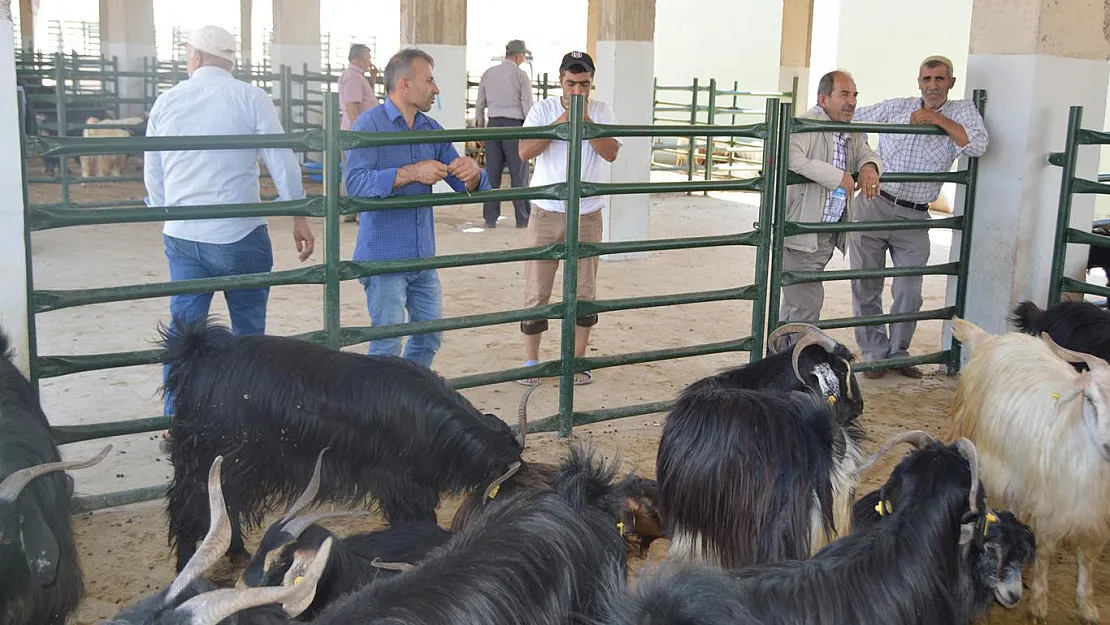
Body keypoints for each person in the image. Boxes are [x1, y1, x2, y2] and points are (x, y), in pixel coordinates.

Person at [145, 25, 315, 434]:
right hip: (241, 234)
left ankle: (180, 418)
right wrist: (297, 213)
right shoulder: (251, 97)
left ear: (197, 57)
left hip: (185, 235)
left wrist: (168, 210)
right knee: (248, 333)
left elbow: (154, 171)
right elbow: (281, 158)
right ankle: (246, 415)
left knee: (185, 332)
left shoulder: (167, 101)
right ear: (230, 60)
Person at [345, 48, 490, 369]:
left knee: (429, 335)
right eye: (429, 80)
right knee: (387, 342)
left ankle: (404, 397)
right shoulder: (369, 125)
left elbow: (467, 184)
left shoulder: (432, 130)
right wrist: (411, 173)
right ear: (405, 84)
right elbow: (353, 184)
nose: (435, 88)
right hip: (384, 258)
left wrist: (473, 174)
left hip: (423, 257)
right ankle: (381, 409)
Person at [849, 55, 988, 379]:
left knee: (909, 291)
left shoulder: (962, 111)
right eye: (927, 79)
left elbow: (979, 144)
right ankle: (873, 355)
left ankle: (898, 354)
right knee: (866, 284)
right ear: (919, 82)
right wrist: (865, 163)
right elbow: (851, 122)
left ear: (951, 82)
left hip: (915, 216)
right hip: (874, 202)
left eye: (940, 79)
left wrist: (934, 119)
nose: (933, 85)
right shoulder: (897, 107)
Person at [516, 51, 621, 386]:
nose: (578, 89)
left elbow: (612, 152)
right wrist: (559, 124)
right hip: (546, 210)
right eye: (572, 83)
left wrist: (587, 120)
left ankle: (576, 360)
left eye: (584, 84)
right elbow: (524, 152)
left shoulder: (601, 110)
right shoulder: (542, 110)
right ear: (561, 80)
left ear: (592, 83)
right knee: (537, 288)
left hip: (587, 212)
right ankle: (532, 360)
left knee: (585, 291)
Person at [779, 69, 881, 350]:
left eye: (854, 95)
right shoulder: (806, 124)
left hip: (825, 230)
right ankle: (792, 366)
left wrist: (869, 167)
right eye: (844, 94)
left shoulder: (849, 127)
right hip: (802, 227)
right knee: (806, 303)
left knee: (797, 302)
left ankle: (778, 363)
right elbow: (791, 157)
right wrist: (837, 176)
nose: (852, 102)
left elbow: (865, 152)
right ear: (824, 98)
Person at [474, 39, 534, 228]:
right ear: (518, 56)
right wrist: (531, 132)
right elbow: (527, 105)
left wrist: (480, 129)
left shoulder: (488, 73)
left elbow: (479, 105)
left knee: (492, 174)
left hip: (493, 125)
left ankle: (490, 218)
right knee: (519, 174)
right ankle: (522, 218)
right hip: (515, 127)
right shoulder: (520, 75)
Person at [339, 43, 380, 223]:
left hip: (357, 131)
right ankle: (354, 209)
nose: (369, 61)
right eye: (368, 57)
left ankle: (352, 209)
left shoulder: (356, 77)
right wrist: (358, 134)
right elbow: (352, 105)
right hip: (356, 133)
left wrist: (372, 80)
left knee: (355, 169)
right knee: (357, 170)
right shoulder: (353, 78)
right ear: (360, 57)